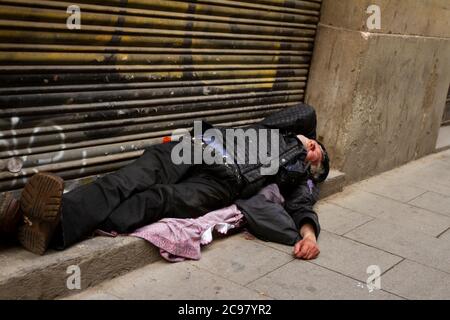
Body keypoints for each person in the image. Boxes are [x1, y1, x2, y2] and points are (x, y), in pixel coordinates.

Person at [0, 103, 329, 259]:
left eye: (319, 157)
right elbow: (305, 111)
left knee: (153, 202)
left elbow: (302, 204)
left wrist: (309, 236)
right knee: (125, 179)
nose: (315, 150)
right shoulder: (281, 130)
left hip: (225, 185)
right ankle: (39, 220)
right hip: (200, 147)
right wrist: (302, 139)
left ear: (317, 169)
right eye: (316, 145)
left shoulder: (299, 175)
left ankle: (44, 225)